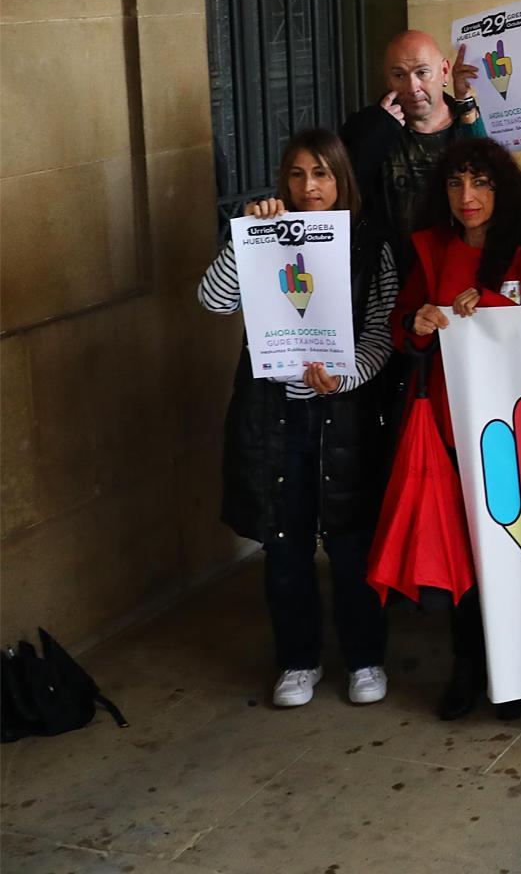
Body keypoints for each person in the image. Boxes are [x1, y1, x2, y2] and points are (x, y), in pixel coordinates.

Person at [197, 130, 398, 709]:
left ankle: (364, 659)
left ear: (341, 181)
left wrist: (347, 377)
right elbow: (211, 301)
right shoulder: (261, 238)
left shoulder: (369, 245)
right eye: (296, 175)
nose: (308, 187)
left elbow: (382, 332)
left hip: (344, 418)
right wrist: (245, 238)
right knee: (284, 548)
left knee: (351, 545)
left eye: (321, 174)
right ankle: (298, 660)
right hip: (274, 418)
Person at [389, 138, 521, 722]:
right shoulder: (430, 249)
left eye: (482, 184)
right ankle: (468, 668)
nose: (468, 198)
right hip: (448, 424)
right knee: (465, 556)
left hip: (518, 433)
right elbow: (404, 329)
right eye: (456, 184)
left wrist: (491, 305)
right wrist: (417, 324)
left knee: (516, 554)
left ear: (503, 189)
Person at [340, 30, 487, 253]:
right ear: (387, 79)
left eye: (422, 73)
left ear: (444, 72)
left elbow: (489, 180)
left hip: (458, 266)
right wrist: (375, 134)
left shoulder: (470, 123)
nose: (412, 87)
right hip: (392, 273)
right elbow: (341, 187)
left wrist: (465, 103)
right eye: (399, 75)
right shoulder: (365, 126)